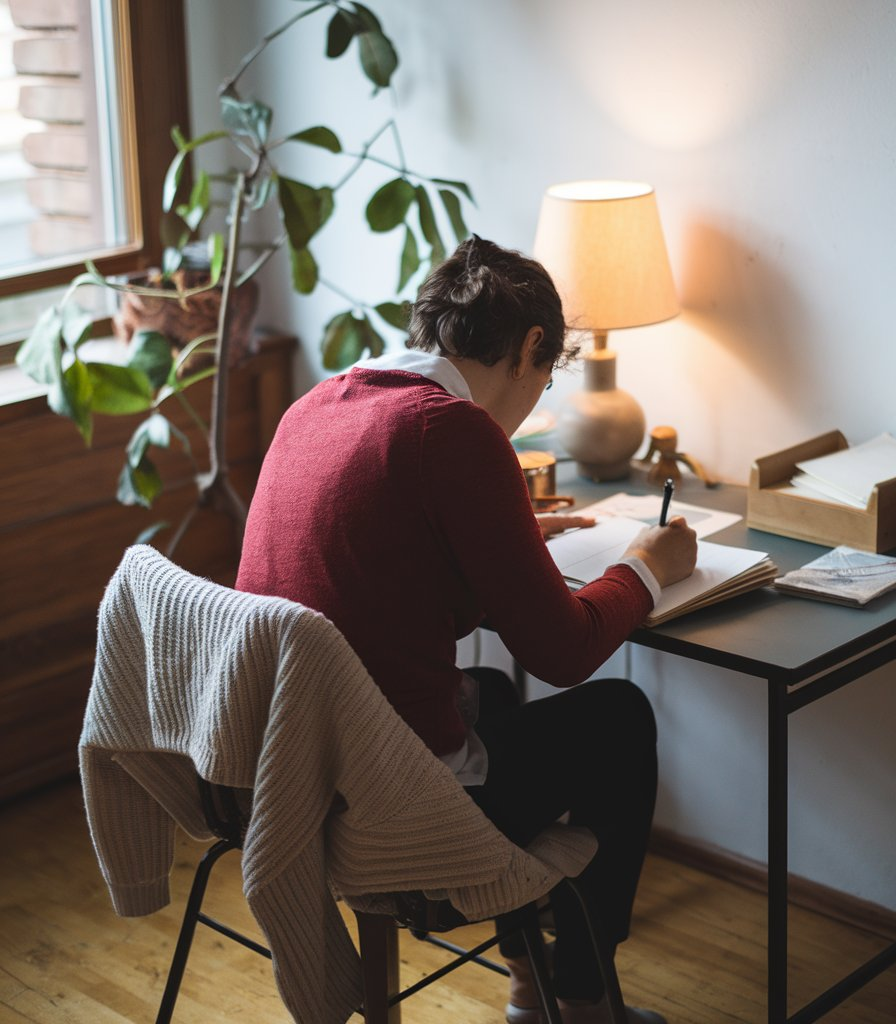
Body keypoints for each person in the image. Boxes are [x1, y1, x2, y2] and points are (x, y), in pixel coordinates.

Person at [235, 236, 698, 1024]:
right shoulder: (453, 432)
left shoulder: (321, 402)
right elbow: (564, 653)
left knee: (485, 690)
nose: (533, 400)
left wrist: (509, 541)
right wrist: (649, 567)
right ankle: (581, 998)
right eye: (545, 375)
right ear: (530, 348)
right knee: (621, 718)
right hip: (386, 808)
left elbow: (379, 577)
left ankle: (531, 987)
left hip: (282, 777)